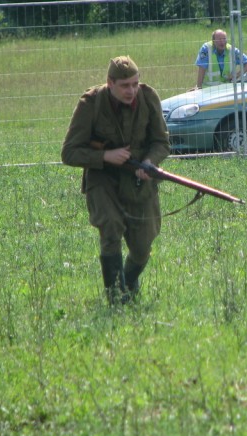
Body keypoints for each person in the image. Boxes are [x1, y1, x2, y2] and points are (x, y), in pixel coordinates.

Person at [61, 56, 170, 305]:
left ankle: (128, 284)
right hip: (103, 178)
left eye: (135, 83)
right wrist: (105, 156)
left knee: (143, 246)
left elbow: (161, 142)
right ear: (110, 83)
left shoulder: (148, 97)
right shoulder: (90, 103)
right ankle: (115, 299)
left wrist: (150, 163)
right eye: (124, 85)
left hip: (139, 180)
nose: (131, 90)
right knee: (110, 228)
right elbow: (69, 153)